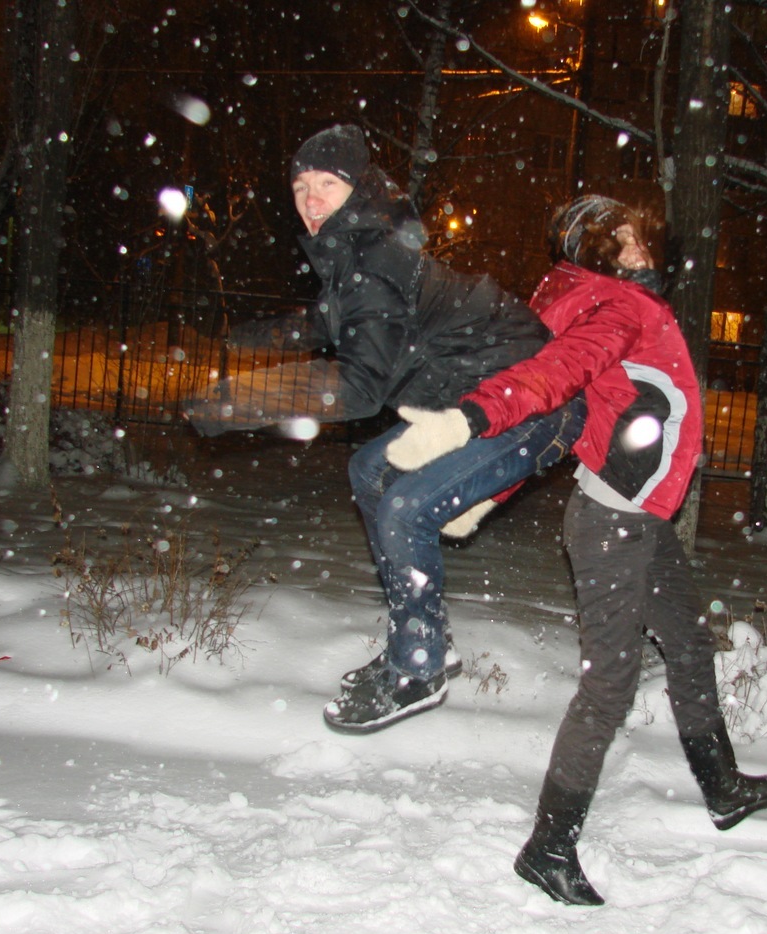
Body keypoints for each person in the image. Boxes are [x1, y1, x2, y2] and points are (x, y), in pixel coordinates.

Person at [385, 195, 767, 905]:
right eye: (622, 241)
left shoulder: (597, 298)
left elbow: (560, 415)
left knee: (689, 645)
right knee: (610, 684)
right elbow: (553, 378)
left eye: (640, 238)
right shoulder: (617, 307)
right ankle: (549, 847)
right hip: (615, 525)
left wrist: (490, 492)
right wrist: (471, 421)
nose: (640, 250)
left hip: (638, 518)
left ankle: (723, 787)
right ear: (592, 252)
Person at [187, 123, 584, 733]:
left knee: (404, 506)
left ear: (357, 190)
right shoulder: (354, 254)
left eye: (327, 184)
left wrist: (237, 401)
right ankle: (426, 637)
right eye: (300, 186)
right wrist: (241, 336)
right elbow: (325, 325)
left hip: (530, 406)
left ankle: (418, 666)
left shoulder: (373, 260)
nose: (311, 199)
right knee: (369, 469)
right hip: (475, 403)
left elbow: (359, 386)